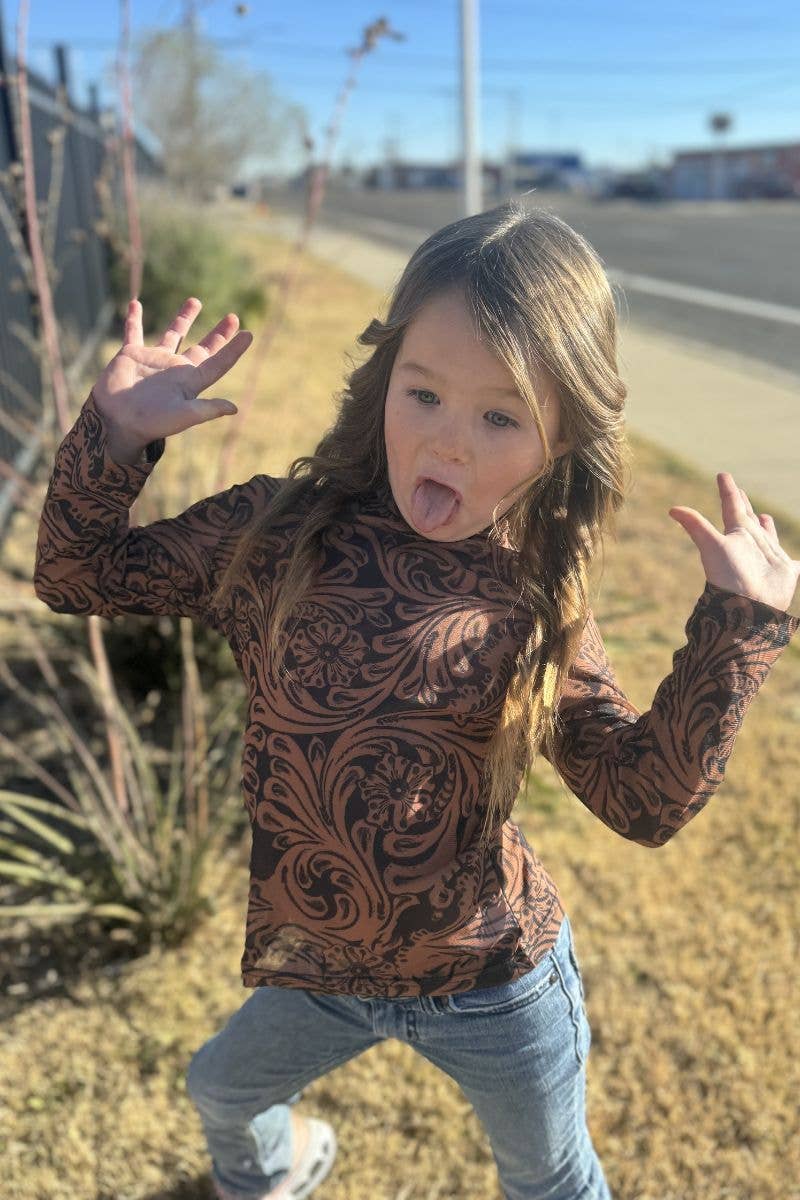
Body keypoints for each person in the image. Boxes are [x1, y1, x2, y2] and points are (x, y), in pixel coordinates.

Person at [33, 201, 799, 1200]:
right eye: (422, 392)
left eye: (499, 416)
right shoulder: (274, 533)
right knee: (217, 1088)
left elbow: (641, 799)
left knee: (550, 1181)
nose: (448, 442)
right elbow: (77, 575)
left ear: (560, 436)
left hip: (493, 986)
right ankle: (274, 1170)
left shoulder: (536, 604)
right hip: (321, 974)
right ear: (380, 377)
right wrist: (113, 436)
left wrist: (738, 632)